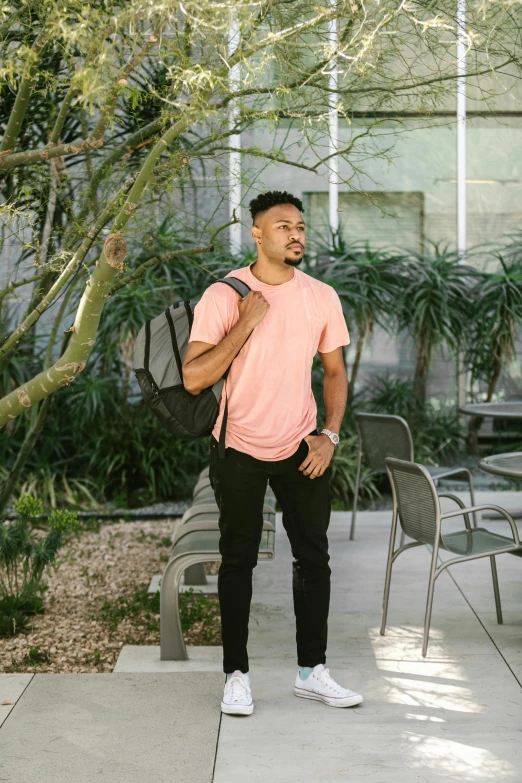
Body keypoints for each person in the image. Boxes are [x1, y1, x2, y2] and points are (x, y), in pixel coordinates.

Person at [182, 190, 363, 715]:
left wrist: (328, 434)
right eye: (283, 226)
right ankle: (236, 676)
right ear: (257, 233)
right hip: (237, 444)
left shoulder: (320, 296)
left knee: (314, 559)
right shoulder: (224, 295)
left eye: (301, 226)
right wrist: (246, 320)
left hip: (301, 444)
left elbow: (334, 373)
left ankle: (312, 672)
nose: (296, 234)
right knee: (237, 560)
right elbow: (194, 377)